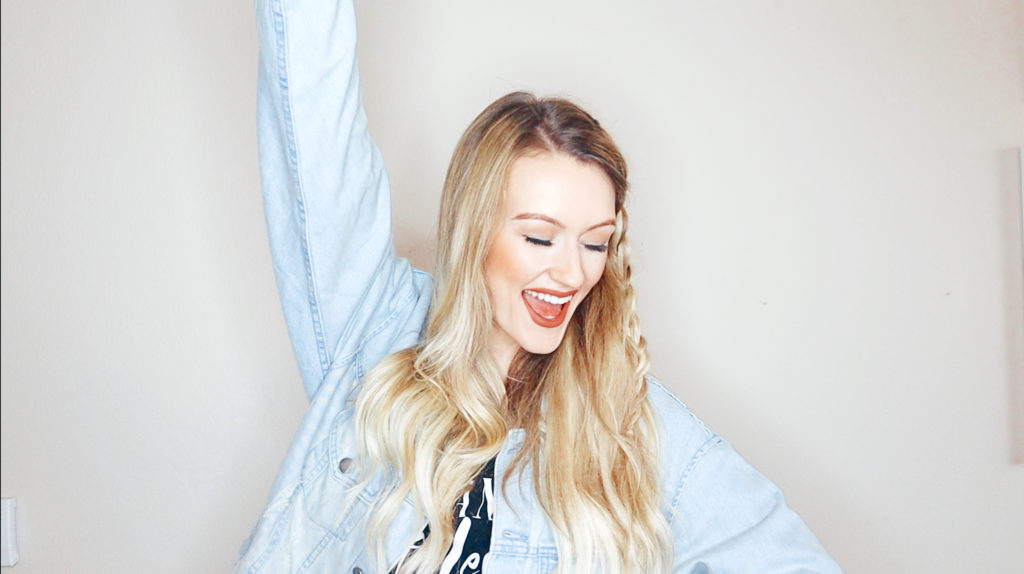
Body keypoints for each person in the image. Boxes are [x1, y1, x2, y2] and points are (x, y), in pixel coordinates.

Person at [238, 0, 843, 573]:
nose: (573, 274)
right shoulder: (375, 332)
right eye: (539, 237)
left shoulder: (626, 421)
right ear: (474, 231)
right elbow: (314, 105)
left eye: (595, 243)